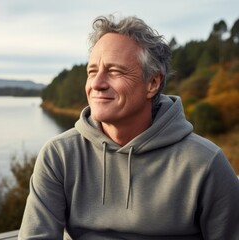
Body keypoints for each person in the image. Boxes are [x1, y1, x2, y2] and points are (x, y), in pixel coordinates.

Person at [19, 14, 239, 239]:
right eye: (92, 72)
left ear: (152, 83)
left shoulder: (204, 163)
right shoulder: (60, 155)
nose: (97, 83)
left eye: (114, 71)